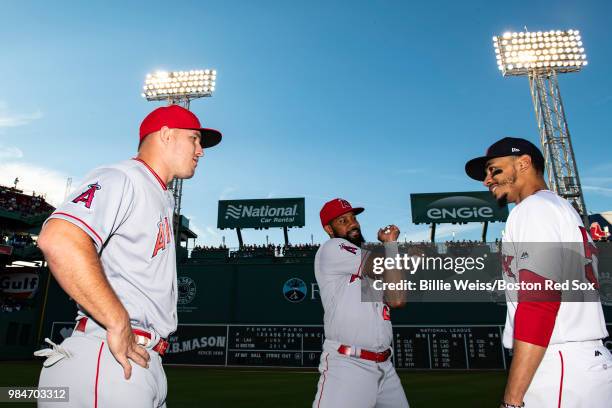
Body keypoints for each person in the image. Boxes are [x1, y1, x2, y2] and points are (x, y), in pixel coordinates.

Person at [35, 105, 222, 407]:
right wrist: (117, 320)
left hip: (139, 360)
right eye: (195, 139)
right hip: (107, 357)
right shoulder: (124, 177)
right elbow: (59, 238)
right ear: (165, 135)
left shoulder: (159, 195)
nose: (200, 151)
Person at [465, 137, 611, 408]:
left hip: (558, 365)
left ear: (523, 163)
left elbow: (539, 302)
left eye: (494, 169)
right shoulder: (560, 208)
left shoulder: (533, 210)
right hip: (578, 361)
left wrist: (512, 399)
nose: (487, 180)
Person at [312, 198, 409, 408]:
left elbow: (397, 299)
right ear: (329, 229)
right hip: (348, 365)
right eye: (343, 220)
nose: (353, 223)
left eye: (353, 218)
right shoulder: (333, 247)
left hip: (385, 367)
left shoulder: (366, 263)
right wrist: (391, 245)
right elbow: (378, 264)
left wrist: (390, 247)